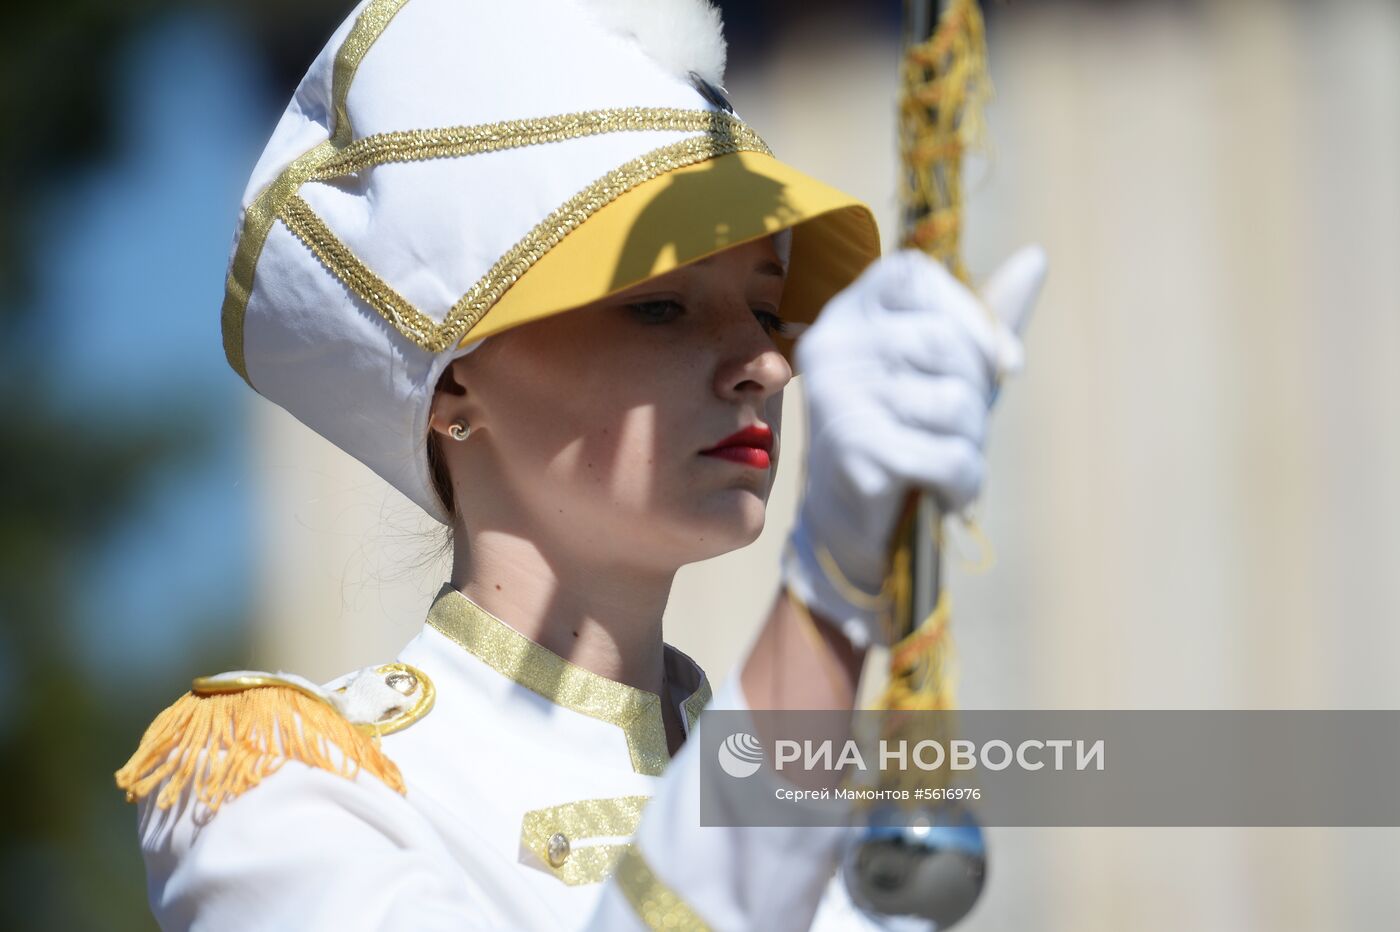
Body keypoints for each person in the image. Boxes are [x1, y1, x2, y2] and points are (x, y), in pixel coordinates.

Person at [115, 0, 1046, 928]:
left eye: (769, 313)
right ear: (453, 391)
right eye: (660, 307)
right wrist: (830, 599)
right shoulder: (278, 794)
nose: (765, 362)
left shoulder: (844, 848)